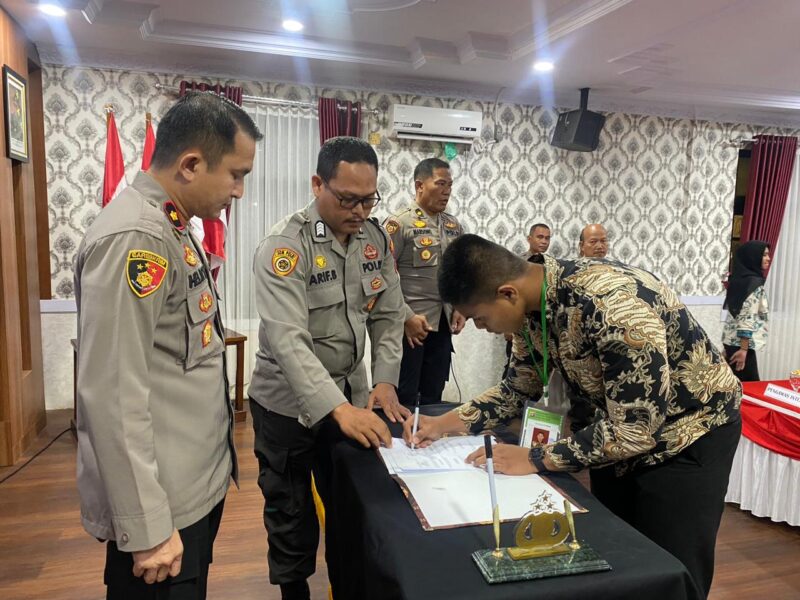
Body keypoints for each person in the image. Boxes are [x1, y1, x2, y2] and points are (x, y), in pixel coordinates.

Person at [405, 234, 742, 598]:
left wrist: (534, 458)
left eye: (479, 318)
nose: (480, 327)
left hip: (688, 433)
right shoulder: (533, 310)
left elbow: (633, 431)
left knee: (671, 568)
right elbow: (517, 388)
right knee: (619, 554)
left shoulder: (612, 307)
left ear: (507, 293)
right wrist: (442, 424)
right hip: (615, 431)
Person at [74, 92, 260, 599]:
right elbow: (112, 393)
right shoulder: (138, 237)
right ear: (191, 165)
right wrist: (147, 525)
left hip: (189, 485)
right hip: (163, 508)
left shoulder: (171, 225)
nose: (239, 191)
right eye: (236, 174)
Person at [248, 136, 408, 600]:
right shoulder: (285, 248)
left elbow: (388, 314)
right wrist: (338, 409)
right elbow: (289, 342)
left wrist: (385, 380)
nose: (359, 211)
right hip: (286, 408)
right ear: (318, 184)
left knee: (350, 507)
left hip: (351, 399)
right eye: (347, 199)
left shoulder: (375, 239)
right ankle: (294, 593)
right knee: (291, 514)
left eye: (369, 200)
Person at [384, 157, 466, 406]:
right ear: (419, 185)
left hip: (443, 324)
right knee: (404, 396)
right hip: (410, 327)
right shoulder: (399, 224)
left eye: (450, 185)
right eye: (440, 183)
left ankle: (428, 431)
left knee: (433, 394)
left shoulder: (453, 226)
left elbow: (458, 271)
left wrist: (460, 307)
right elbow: (382, 278)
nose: (447, 191)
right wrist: (406, 317)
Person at [722, 241, 771, 381]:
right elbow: (747, 318)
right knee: (749, 387)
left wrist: (727, 347)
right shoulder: (754, 283)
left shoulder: (738, 281)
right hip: (741, 347)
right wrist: (743, 350)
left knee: (731, 385)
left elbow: (733, 316)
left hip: (731, 343)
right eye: (764, 255)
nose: (768, 258)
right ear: (753, 257)